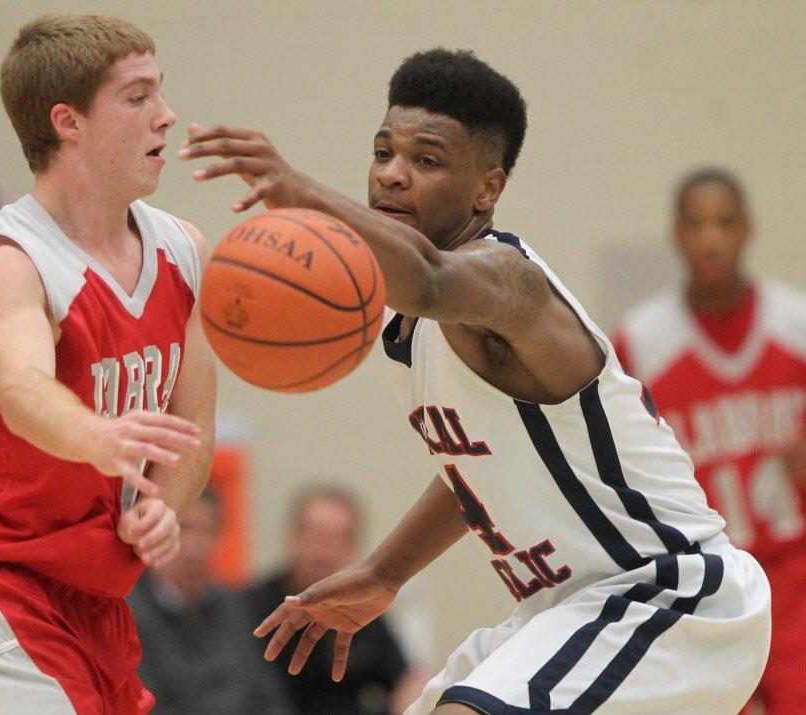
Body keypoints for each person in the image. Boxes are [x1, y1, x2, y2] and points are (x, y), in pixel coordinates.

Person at [181, 48, 771, 714]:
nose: (394, 176)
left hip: (669, 591)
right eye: (383, 153)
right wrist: (384, 572)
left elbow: (430, 275)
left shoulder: (506, 282)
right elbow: (479, 468)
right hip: (569, 606)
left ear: (487, 189)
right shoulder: (410, 326)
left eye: (426, 161)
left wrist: (303, 193)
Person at [0, 14, 216, 715]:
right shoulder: (11, 264)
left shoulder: (185, 251)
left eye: (159, 93)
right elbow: (21, 389)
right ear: (68, 122)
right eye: (138, 98)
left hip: (101, 603)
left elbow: (192, 423)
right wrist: (99, 436)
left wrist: (165, 506)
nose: (166, 116)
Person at [614, 168, 806, 714]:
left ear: (748, 228)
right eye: (696, 225)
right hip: (706, 585)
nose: (711, 238)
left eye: (724, 223)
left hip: (798, 578)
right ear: (676, 234)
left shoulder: (797, 322)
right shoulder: (640, 340)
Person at [245, 486, 412, 715]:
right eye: (313, 534)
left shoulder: (364, 610)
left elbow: (404, 677)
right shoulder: (247, 606)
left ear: (353, 548)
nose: (322, 549)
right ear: (292, 537)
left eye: (336, 539)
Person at [129, 489, 294, 715]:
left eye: (207, 531)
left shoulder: (235, 605)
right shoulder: (128, 612)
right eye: (184, 528)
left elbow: (267, 694)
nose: (195, 546)